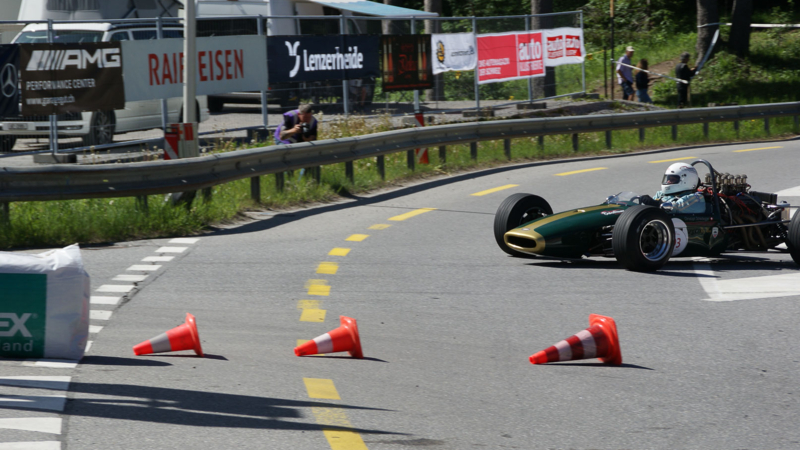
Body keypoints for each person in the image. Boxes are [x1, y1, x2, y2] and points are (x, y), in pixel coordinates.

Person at [640, 163, 706, 214]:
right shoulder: (662, 194)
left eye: (672, 179)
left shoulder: (696, 198)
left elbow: (676, 207)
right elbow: (651, 203)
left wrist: (657, 204)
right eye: (668, 179)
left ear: (686, 181)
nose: (668, 181)